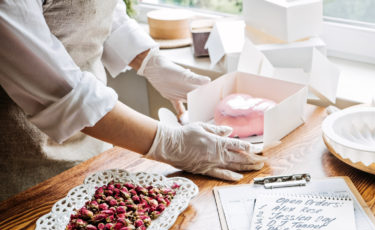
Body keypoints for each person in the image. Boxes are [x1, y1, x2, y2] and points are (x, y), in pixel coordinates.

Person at [0, 0, 265, 200]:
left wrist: (151, 62)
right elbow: (61, 90)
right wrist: (170, 142)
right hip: (23, 169)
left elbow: (89, 10)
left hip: (94, 149)